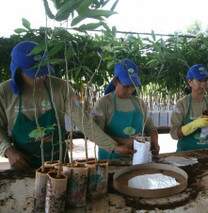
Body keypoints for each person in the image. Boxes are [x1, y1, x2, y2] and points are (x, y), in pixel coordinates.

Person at [0, 41, 132, 171]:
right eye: (35, 74)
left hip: (59, 165)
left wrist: (113, 147)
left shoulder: (61, 88)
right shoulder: (5, 92)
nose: (41, 77)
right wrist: (8, 150)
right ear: (18, 72)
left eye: (44, 72)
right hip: (23, 164)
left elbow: (83, 121)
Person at [92, 58, 159, 160]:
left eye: (133, 86)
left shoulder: (139, 103)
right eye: (126, 86)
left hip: (136, 159)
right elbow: (96, 133)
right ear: (115, 82)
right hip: (110, 159)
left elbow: (150, 128)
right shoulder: (104, 103)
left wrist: (154, 142)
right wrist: (121, 143)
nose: (130, 90)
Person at [170, 64, 208, 151]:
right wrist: (193, 125)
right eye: (199, 80)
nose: (203, 84)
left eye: (206, 80)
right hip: (186, 155)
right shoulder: (182, 105)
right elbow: (174, 134)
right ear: (190, 82)